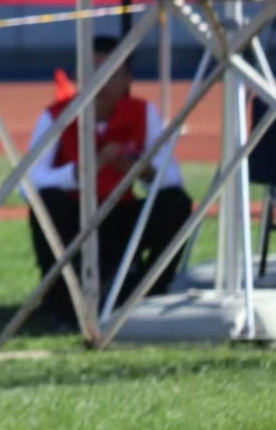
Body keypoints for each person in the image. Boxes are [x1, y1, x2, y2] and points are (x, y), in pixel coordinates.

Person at [26, 36, 195, 329]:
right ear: (78, 77)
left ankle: (146, 293)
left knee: (175, 203)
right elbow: (28, 182)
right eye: (92, 73)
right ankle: (63, 302)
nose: (102, 83)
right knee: (46, 203)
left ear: (127, 79)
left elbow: (171, 177)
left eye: (112, 74)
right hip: (75, 219)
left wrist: (140, 170)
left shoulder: (143, 112)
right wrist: (79, 173)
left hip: (121, 215)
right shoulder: (56, 116)